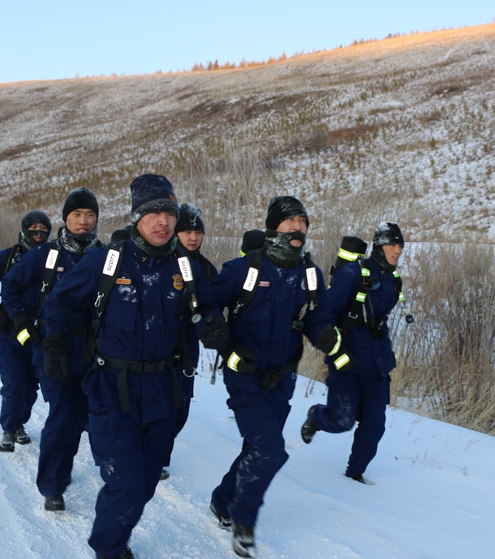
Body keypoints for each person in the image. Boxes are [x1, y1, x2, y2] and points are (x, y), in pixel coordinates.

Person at [42, 175, 223, 559]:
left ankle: (116, 529)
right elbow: (59, 302)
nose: (163, 221)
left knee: (144, 483)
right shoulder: (106, 262)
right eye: (153, 212)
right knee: (124, 483)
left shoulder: (185, 266)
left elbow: (205, 307)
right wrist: (55, 345)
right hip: (112, 390)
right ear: (136, 217)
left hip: (162, 392)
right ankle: (108, 549)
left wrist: (212, 324)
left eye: (169, 213)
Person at [208, 196, 340, 559]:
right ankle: (243, 523)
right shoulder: (243, 270)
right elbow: (206, 305)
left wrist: (325, 335)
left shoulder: (310, 274)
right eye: (289, 221)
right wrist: (215, 332)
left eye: (302, 221)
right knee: (269, 449)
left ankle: (222, 500)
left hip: (283, 378)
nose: (297, 227)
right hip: (244, 376)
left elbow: (318, 317)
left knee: (257, 448)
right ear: (273, 226)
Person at [1, 187, 102, 512]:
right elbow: (12, 285)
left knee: (99, 415)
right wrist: (22, 324)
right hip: (52, 348)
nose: (83, 222)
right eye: (77, 215)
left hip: (97, 350)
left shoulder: (108, 256)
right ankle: (53, 486)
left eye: (89, 215)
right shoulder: (47, 254)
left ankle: (116, 481)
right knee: (64, 414)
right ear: (66, 218)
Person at [300, 222, 407, 485]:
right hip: (347, 359)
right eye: (392, 244)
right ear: (380, 246)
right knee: (342, 420)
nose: (397, 250)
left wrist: (387, 353)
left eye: (400, 245)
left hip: (377, 364)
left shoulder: (394, 282)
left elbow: (379, 320)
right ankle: (315, 416)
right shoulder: (352, 274)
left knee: (374, 425)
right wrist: (335, 353)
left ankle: (354, 473)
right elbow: (325, 315)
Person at [0, 210, 51, 452]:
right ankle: (9, 429)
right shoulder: (7, 257)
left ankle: (20, 423)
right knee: (14, 383)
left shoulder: (53, 260)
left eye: (43, 229)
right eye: (33, 228)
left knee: (30, 386)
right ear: (23, 230)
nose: (38, 233)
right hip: (9, 333)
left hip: (38, 334)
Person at [163, 202, 218, 480]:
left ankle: (159, 455)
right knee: (155, 407)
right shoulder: (163, 260)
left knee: (180, 409)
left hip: (187, 351)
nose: (193, 237)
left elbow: (216, 306)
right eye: (186, 231)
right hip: (157, 347)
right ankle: (151, 456)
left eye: (198, 232)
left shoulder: (206, 269)